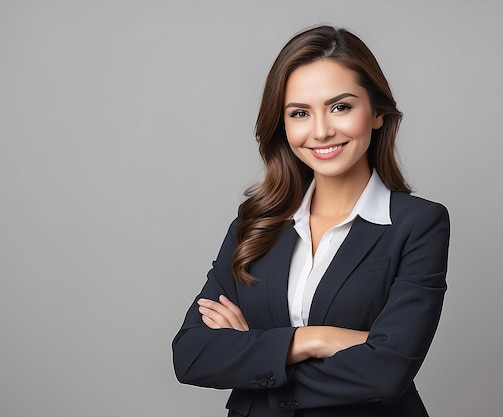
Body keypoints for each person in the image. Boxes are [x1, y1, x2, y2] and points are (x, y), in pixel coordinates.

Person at [172, 25, 450, 417]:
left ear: (376, 114)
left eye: (341, 107)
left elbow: (387, 370)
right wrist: (314, 340)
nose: (321, 131)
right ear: (283, 127)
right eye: (300, 113)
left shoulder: (418, 224)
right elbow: (191, 354)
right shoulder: (255, 223)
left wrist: (257, 352)